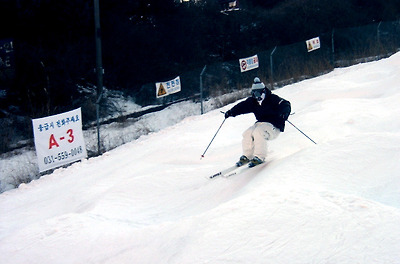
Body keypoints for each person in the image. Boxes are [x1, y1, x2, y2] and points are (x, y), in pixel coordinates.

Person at [224, 77, 291, 167]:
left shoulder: (272, 99)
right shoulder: (253, 101)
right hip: (261, 124)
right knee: (248, 133)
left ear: (263, 91)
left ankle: (260, 156)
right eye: (254, 93)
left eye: (258, 93)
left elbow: (285, 104)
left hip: (274, 125)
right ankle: (248, 156)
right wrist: (231, 112)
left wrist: (284, 113)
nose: (256, 96)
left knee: (258, 132)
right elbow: (242, 106)